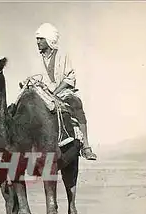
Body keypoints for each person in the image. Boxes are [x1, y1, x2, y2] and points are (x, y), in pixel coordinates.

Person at [32, 22, 97, 160]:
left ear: (49, 39)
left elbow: (69, 77)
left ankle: (85, 146)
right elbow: (37, 77)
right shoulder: (37, 59)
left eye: (41, 39)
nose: (38, 42)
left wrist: (55, 92)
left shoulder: (62, 55)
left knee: (76, 104)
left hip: (63, 92)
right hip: (44, 94)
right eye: (37, 39)